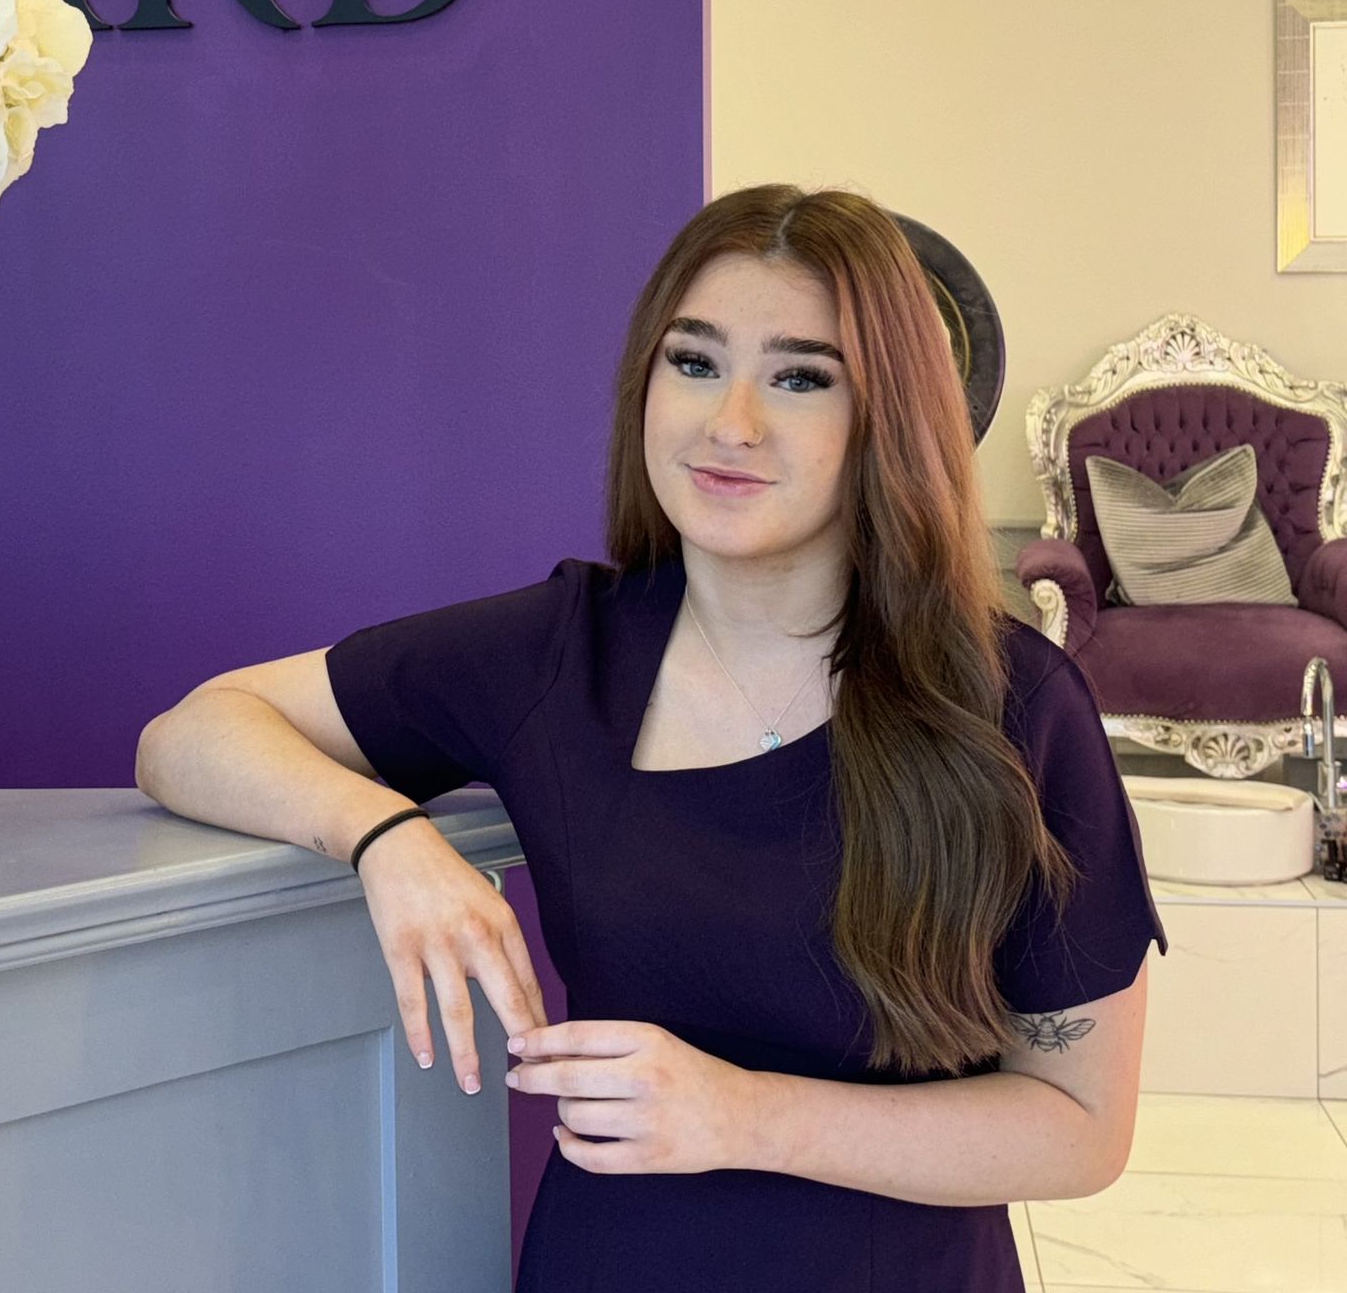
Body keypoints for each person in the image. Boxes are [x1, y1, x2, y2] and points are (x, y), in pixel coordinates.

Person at [134, 183, 1168, 1292]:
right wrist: (385, 837)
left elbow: (1079, 1128)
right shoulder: (558, 655)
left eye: (802, 377)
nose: (731, 423)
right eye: (695, 362)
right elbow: (192, 734)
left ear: (890, 419)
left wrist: (744, 1115)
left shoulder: (1013, 707)